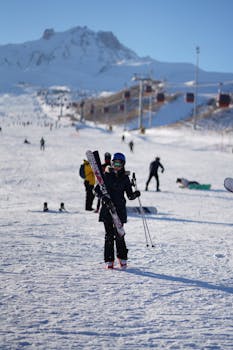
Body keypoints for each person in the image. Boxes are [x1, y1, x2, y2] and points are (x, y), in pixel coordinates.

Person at [95, 152, 141, 269]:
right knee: (109, 235)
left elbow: (129, 196)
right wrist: (103, 198)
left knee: (119, 235)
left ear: (123, 164)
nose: (117, 166)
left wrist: (135, 194)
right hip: (107, 209)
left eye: (119, 164)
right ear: (112, 163)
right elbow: (96, 190)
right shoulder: (105, 175)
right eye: (115, 163)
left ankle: (122, 258)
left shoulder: (125, 178)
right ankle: (109, 260)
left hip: (119, 210)